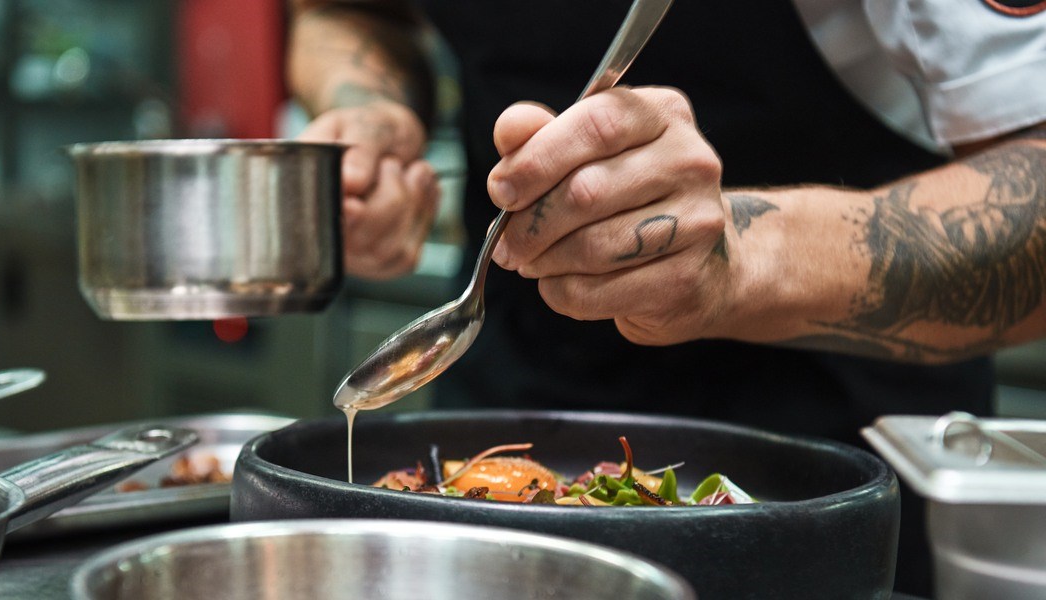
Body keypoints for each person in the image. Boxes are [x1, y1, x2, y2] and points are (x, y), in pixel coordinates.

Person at [286, 0, 1046, 595]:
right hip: (495, 438)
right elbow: (347, 9)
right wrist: (374, 105)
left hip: (821, 485)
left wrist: (744, 258)